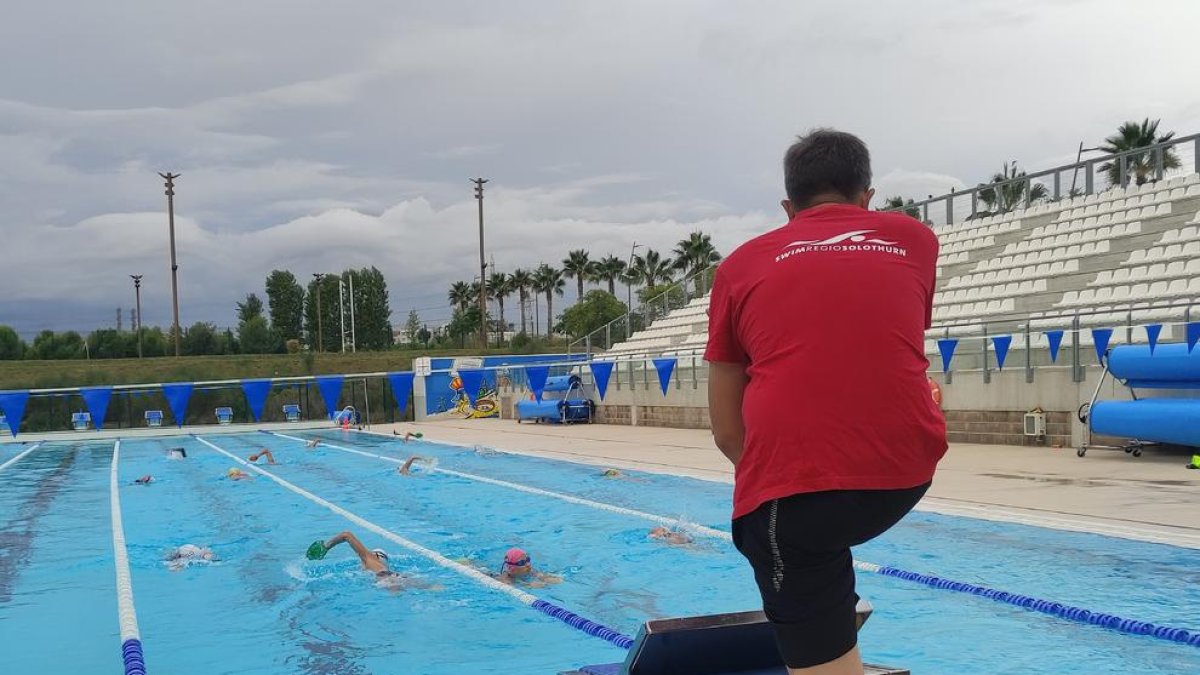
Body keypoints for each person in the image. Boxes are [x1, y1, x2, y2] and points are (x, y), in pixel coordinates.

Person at [706, 129, 946, 674]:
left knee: (787, 532)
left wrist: (780, 478)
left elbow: (726, 430)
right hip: (907, 471)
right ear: (867, 197)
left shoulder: (739, 265)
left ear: (788, 208)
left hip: (795, 497)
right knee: (822, 531)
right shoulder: (916, 239)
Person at [308, 530, 432, 591]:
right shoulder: (379, 564)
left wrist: (326, 546)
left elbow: (346, 535)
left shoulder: (368, 558)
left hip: (384, 578)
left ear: (375, 554)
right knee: (427, 587)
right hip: (394, 575)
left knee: (397, 594)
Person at [496, 547, 560, 588]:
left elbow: (541, 575)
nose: (528, 564)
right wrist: (529, 585)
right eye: (522, 562)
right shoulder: (505, 578)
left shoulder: (529, 570)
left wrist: (546, 579)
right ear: (511, 568)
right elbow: (511, 588)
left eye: (528, 559)